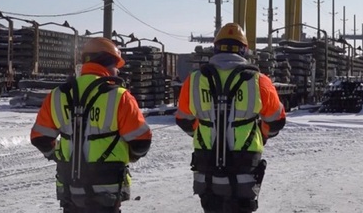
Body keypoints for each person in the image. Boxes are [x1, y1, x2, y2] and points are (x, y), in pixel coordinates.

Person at [30, 37, 152, 213]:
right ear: (108, 63)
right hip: (106, 189)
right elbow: (141, 142)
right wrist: (129, 155)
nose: (117, 71)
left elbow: (39, 137)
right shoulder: (119, 96)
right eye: (116, 66)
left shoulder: (58, 95)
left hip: (69, 189)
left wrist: (58, 156)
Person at [176, 22, 286, 213]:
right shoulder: (259, 81)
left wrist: (205, 130)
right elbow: (276, 120)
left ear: (216, 48)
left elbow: (183, 119)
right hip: (245, 162)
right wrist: (261, 134)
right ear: (244, 50)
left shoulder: (194, 80)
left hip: (206, 159)